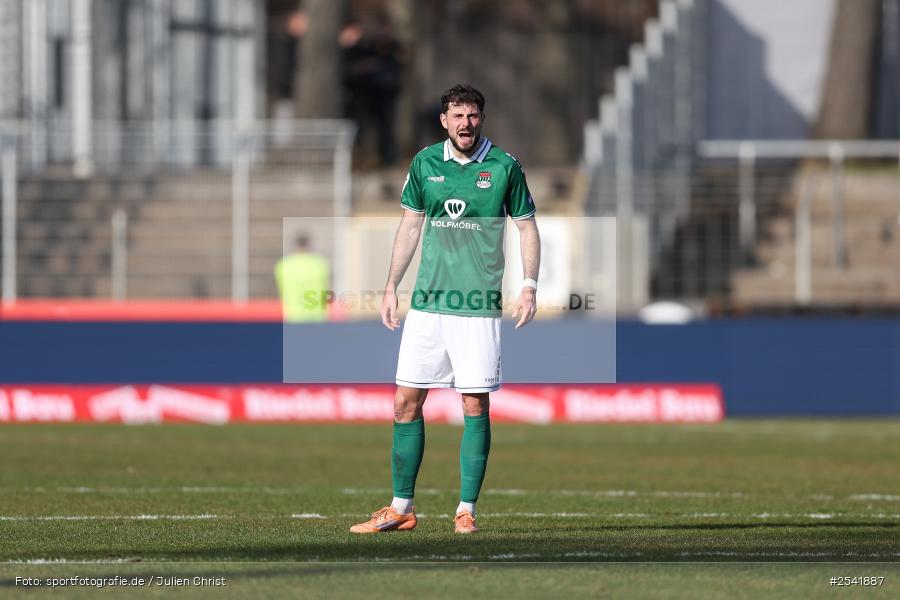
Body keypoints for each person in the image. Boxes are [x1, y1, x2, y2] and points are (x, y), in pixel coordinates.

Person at [350, 84, 541, 534]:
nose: (465, 124)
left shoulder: (504, 167)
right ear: (444, 120)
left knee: (474, 404)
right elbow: (411, 226)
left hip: (476, 306)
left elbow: (527, 229)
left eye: (473, 116)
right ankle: (401, 508)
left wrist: (529, 285)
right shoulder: (424, 163)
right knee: (404, 402)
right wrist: (391, 284)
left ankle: (466, 510)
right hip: (428, 306)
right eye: (457, 116)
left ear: (482, 119)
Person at [274, 235, 330, 323]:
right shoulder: (320, 264)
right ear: (309, 245)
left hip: (292, 315)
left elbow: (280, 288)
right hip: (317, 316)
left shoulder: (283, 265)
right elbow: (325, 287)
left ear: (294, 246)